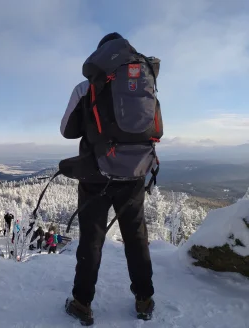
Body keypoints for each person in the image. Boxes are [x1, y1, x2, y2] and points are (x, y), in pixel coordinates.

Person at [60, 32, 160, 325]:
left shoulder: (88, 86)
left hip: (96, 174)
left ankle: (82, 303)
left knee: (91, 240)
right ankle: (144, 299)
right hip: (135, 174)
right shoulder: (146, 84)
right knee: (136, 237)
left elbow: (67, 129)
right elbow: (156, 129)